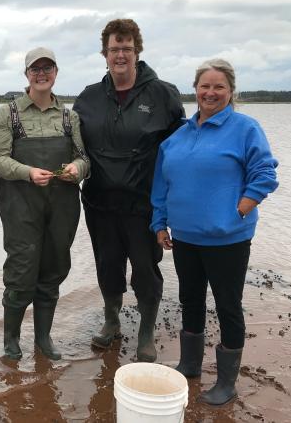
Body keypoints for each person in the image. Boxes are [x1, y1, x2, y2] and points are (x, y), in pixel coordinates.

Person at [151, 58, 279, 405]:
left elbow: (265, 174)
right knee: (190, 300)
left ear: (230, 91)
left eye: (218, 86)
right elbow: (161, 184)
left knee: (228, 306)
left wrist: (237, 211)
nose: (210, 92)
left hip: (228, 239)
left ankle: (226, 381)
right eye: (204, 86)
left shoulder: (245, 128)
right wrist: (159, 223)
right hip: (185, 239)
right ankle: (190, 364)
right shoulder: (177, 137)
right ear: (195, 90)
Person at [73, 19, 185, 362]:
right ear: (104, 54)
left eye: (126, 48)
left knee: (146, 272)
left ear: (137, 51)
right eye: (113, 49)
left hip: (144, 206)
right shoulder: (88, 98)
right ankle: (111, 322)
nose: (119, 55)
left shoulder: (164, 93)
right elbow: (74, 149)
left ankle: (147, 333)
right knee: (107, 266)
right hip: (99, 203)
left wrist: (177, 206)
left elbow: (181, 151)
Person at [0, 47, 90, 361]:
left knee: (54, 268)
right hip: (20, 204)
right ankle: (11, 340)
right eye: (36, 69)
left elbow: (84, 157)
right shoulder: (9, 113)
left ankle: (43, 338)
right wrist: (27, 172)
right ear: (27, 74)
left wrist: (77, 170)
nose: (42, 74)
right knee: (21, 269)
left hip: (62, 204)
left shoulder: (69, 116)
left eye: (48, 68)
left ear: (56, 73)